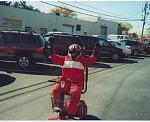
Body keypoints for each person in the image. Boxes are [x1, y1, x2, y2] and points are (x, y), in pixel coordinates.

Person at [49, 44, 97, 118]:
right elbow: (55, 57)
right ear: (69, 51)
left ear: (79, 53)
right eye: (72, 52)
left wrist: (96, 53)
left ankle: (71, 113)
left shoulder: (82, 60)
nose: (74, 54)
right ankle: (58, 106)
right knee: (55, 91)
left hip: (76, 83)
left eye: (76, 52)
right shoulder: (64, 59)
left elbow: (91, 60)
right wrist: (51, 50)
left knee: (75, 93)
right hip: (64, 82)